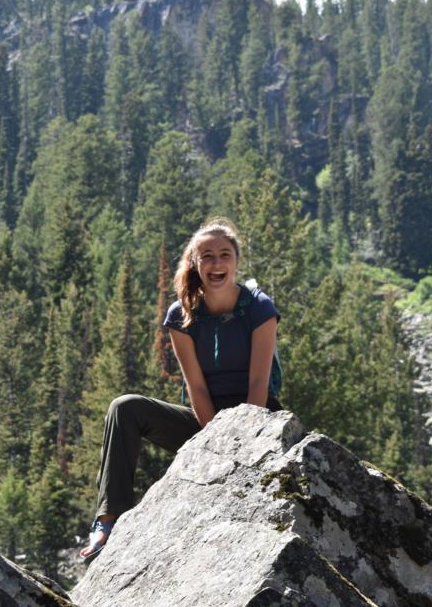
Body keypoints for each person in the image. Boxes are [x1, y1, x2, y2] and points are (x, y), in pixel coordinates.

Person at [78, 218, 282, 562]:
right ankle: (108, 521)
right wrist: (216, 444)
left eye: (225, 254)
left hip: (259, 420)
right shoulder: (182, 315)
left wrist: (244, 445)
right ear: (195, 263)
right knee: (125, 408)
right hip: (207, 421)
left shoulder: (259, 308)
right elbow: (196, 387)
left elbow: (259, 383)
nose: (217, 263)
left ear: (236, 260)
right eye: (207, 256)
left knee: (254, 406)